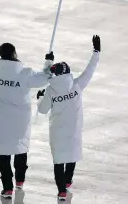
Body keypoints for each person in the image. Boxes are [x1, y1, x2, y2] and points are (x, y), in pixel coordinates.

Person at [0, 26, 54, 199]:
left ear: (1, 54)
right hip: (21, 119)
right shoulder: (25, 74)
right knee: (20, 148)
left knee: (3, 154)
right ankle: (19, 180)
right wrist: (48, 62)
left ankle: (7, 188)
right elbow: (46, 78)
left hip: (1, 119)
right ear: (14, 54)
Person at [37, 35, 101, 201]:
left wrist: (40, 97)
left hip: (57, 131)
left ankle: (61, 191)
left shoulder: (50, 90)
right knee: (71, 155)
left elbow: (42, 110)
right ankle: (68, 181)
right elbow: (90, 70)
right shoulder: (77, 85)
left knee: (58, 160)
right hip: (73, 129)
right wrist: (96, 52)